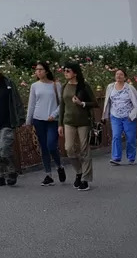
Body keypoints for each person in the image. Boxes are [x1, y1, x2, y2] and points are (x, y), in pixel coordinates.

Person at [25, 61, 66, 186]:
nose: (38, 72)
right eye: (37, 70)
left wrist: (54, 114)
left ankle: (59, 166)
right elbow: (31, 104)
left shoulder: (56, 85)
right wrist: (28, 121)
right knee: (43, 147)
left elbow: (62, 104)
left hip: (52, 120)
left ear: (46, 71)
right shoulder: (34, 86)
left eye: (41, 69)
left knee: (51, 145)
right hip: (39, 119)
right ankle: (48, 174)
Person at [58, 62, 97, 192]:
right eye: (64, 70)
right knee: (69, 149)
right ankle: (79, 171)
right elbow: (62, 106)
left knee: (84, 150)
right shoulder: (64, 86)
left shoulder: (84, 86)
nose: (65, 73)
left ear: (75, 72)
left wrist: (82, 103)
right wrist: (60, 124)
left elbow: (95, 103)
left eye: (68, 71)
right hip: (68, 121)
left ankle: (85, 179)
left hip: (83, 121)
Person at [102, 69, 137, 166]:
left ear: (125, 77)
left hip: (128, 116)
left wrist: (132, 114)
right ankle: (116, 158)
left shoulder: (130, 88)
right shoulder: (110, 87)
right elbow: (107, 101)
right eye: (117, 74)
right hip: (115, 115)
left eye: (121, 74)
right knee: (116, 136)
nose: (119, 76)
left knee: (130, 138)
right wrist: (105, 115)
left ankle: (131, 158)